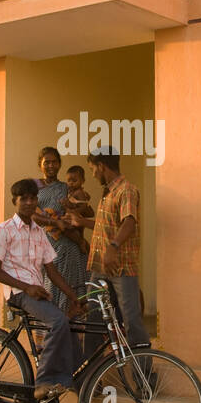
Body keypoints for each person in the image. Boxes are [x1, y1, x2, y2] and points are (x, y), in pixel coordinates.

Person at [0, 178, 86, 402]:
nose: (29, 203)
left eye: (33, 198)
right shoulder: (4, 230)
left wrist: (74, 297)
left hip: (37, 292)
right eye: (24, 199)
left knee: (68, 325)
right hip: (19, 293)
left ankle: (80, 381)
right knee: (58, 322)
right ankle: (44, 381)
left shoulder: (39, 233)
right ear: (15, 201)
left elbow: (52, 272)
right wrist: (27, 287)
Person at [66, 147, 150, 348]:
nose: (93, 174)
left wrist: (113, 246)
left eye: (93, 169)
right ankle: (93, 374)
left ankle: (144, 375)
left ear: (101, 166)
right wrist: (81, 222)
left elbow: (129, 222)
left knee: (131, 321)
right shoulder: (107, 193)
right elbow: (107, 225)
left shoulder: (126, 190)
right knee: (94, 318)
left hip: (121, 268)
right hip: (100, 268)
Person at [30, 146, 88, 311]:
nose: (51, 166)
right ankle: (52, 328)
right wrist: (55, 223)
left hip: (68, 245)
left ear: (60, 164)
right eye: (46, 162)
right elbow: (32, 215)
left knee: (71, 285)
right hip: (46, 243)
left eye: (54, 162)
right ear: (40, 164)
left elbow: (82, 209)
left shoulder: (66, 187)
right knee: (50, 284)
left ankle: (72, 328)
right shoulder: (34, 187)